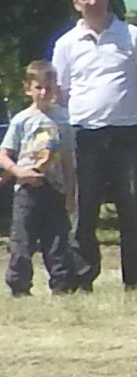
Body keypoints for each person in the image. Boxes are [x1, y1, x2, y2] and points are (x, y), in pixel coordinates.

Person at [48, 0, 137, 291]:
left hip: (127, 135)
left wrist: (127, 111)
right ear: (76, 4)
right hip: (85, 137)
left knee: (133, 208)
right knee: (84, 211)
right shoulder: (66, 44)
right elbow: (61, 91)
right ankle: (82, 278)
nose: (93, 1)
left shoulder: (132, 36)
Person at [5, 60, 79, 295]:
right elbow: (4, 154)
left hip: (55, 188)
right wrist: (18, 171)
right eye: (38, 88)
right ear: (28, 88)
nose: (44, 93)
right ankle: (19, 285)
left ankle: (62, 284)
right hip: (27, 189)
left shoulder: (63, 119)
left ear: (56, 88)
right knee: (22, 241)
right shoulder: (21, 120)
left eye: (49, 88)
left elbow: (68, 158)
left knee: (57, 239)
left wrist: (71, 193)